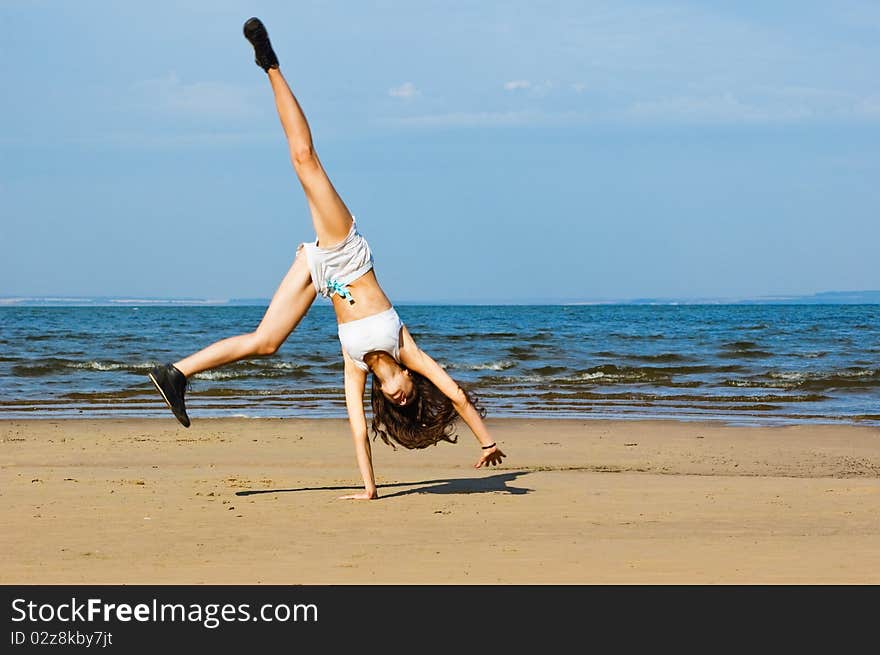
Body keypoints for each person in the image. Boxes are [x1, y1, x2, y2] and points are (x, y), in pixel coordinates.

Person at [148, 17, 506, 500]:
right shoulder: (406, 349)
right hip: (345, 251)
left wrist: (370, 490)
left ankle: (176, 373)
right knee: (305, 159)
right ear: (410, 380)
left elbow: (357, 430)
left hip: (320, 269)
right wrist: (487, 441)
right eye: (408, 393)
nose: (401, 395)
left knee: (266, 341)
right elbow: (457, 393)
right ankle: (270, 64)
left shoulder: (357, 364)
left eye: (396, 400)